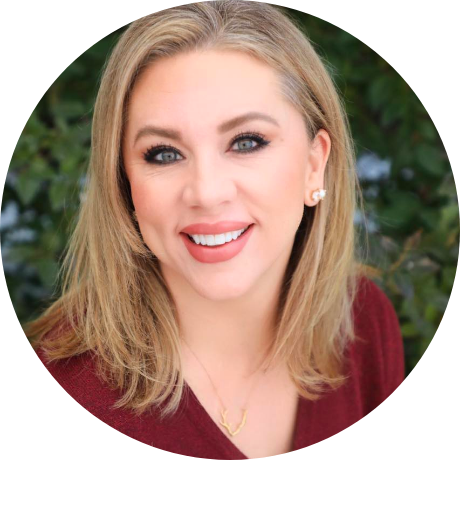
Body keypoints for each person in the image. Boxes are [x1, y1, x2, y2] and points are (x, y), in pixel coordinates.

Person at [24, 1, 405, 460]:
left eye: (246, 142)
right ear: (123, 182)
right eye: (164, 153)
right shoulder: (69, 383)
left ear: (314, 164)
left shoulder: (362, 321)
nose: (206, 192)